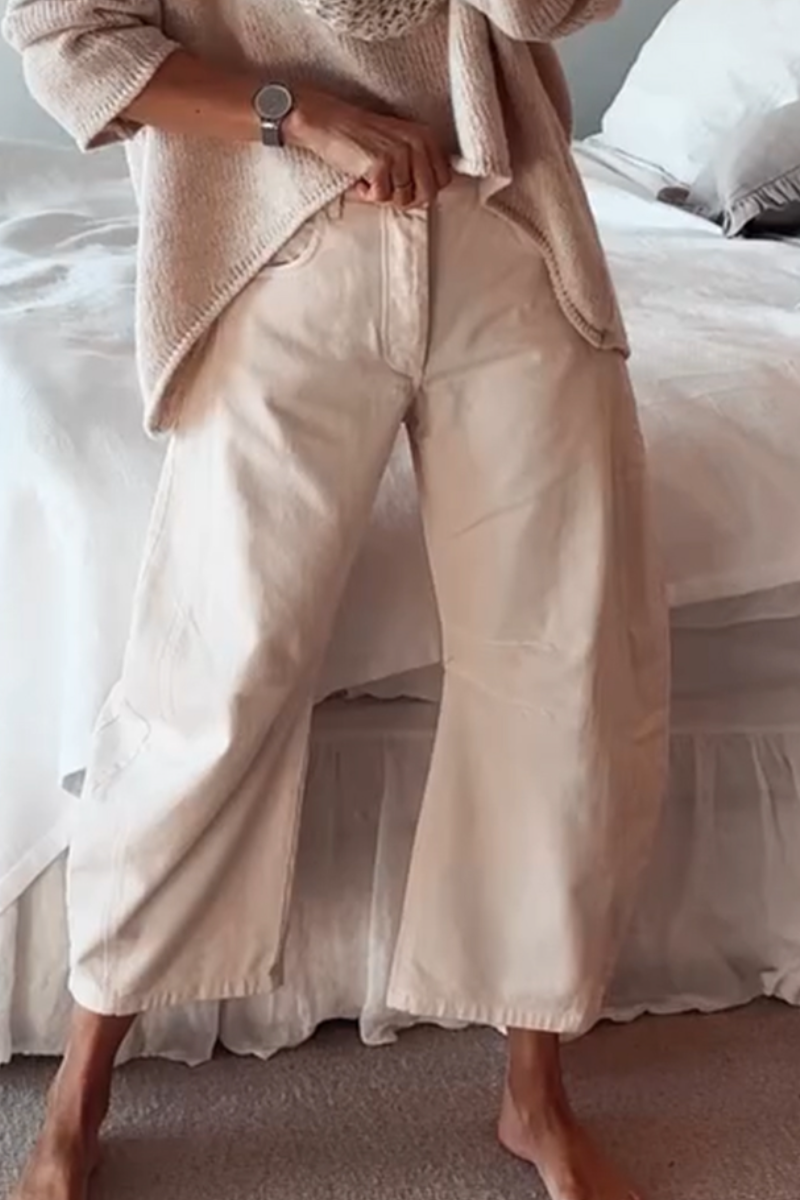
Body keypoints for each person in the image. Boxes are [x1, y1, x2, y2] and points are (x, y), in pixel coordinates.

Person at [2, 2, 669, 1198]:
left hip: (502, 225)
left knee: (558, 668)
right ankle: (81, 1089)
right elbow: (70, 43)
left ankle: (534, 1093)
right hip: (275, 239)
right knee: (214, 674)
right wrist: (295, 113)